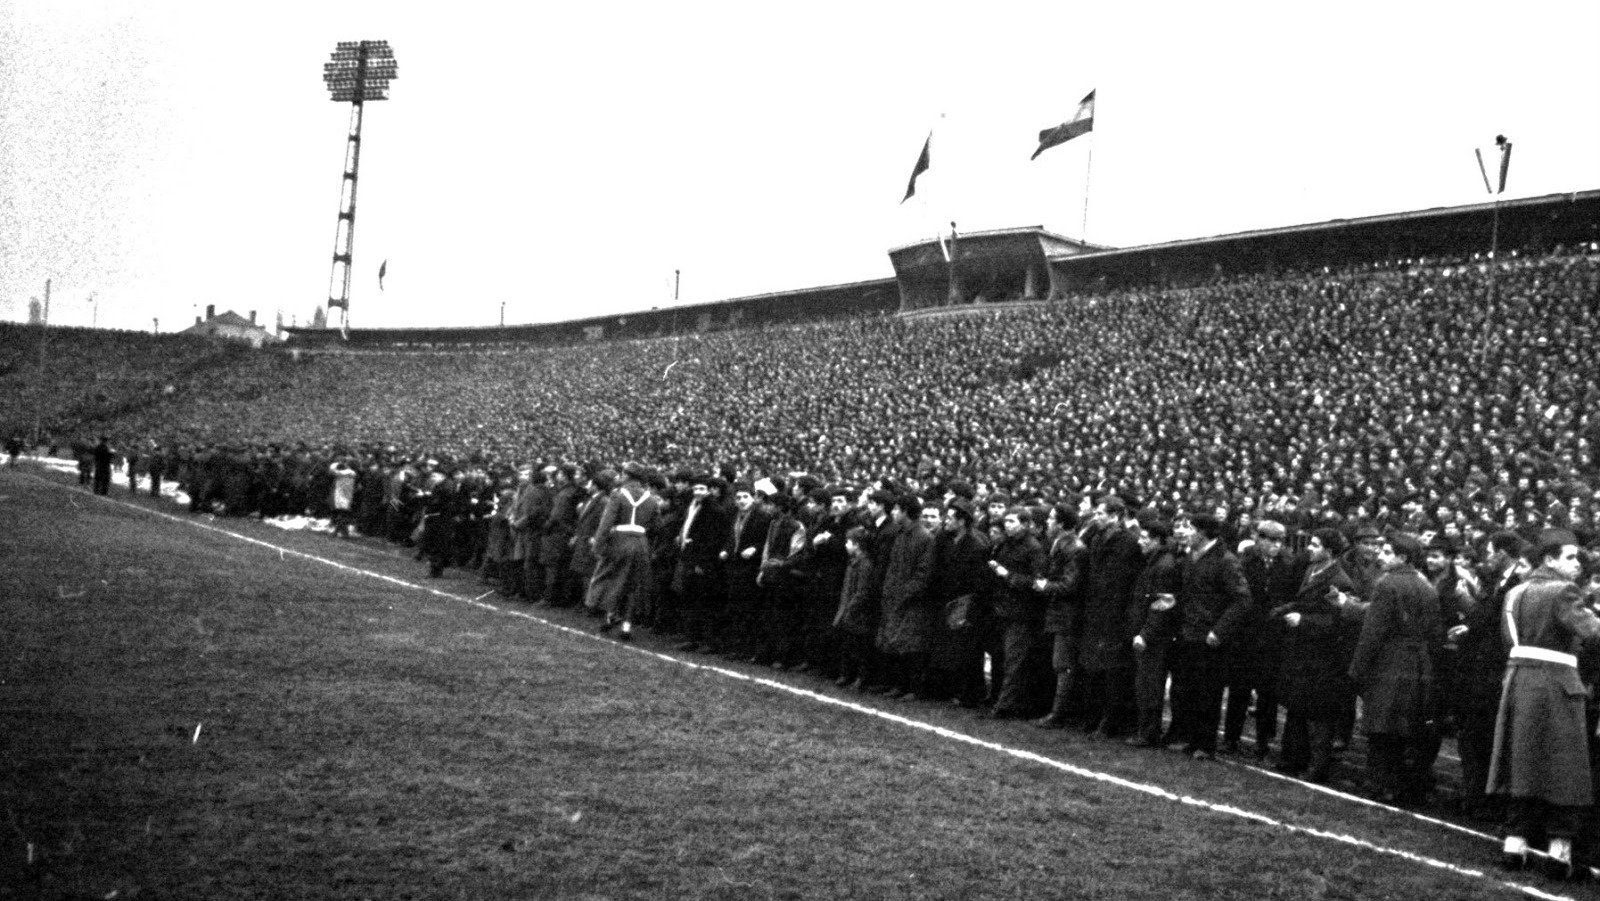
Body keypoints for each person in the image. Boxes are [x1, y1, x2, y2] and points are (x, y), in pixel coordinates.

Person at [1488, 529, 1600, 879]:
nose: (1577, 565)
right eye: (1570, 557)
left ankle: (1515, 843)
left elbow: (1509, 639)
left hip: (1519, 681)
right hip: (1557, 685)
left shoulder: (1516, 591)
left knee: (1521, 762)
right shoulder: (1564, 592)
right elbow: (1593, 632)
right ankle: (1558, 849)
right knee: (1565, 769)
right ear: (1549, 559)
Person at [1348, 532, 1443, 806]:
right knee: (1403, 727)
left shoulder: (1387, 584)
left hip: (1390, 660)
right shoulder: (1426, 586)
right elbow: (1434, 633)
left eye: (1388, 552)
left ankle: (1379, 784)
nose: (1381, 556)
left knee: (1381, 727)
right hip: (1417, 663)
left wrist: (1357, 668)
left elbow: (1373, 632)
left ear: (1402, 557)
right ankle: (1397, 785)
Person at [1168, 513, 1253, 760]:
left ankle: (1205, 744)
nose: (1185, 532)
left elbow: (1242, 600)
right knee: (1190, 689)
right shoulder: (1192, 558)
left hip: (1209, 637)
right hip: (1190, 633)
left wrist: (1219, 630)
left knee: (1208, 692)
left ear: (1203, 533)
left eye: (1190, 528)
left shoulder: (1226, 561)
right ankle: (1193, 739)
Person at [1274, 528, 1356, 781]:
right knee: (1298, 706)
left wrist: (1303, 621)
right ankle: (1293, 758)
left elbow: (1336, 622)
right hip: (1303, 652)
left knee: (1318, 713)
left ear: (1329, 551)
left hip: (1322, 657)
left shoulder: (1340, 581)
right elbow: (1305, 603)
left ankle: (1315, 766)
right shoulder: (1312, 570)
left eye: (1316, 544)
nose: (1310, 548)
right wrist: (1286, 609)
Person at [587, 463, 664, 640]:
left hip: (620, 542)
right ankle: (627, 626)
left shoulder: (618, 495)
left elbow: (606, 524)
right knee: (633, 585)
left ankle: (609, 617)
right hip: (641, 543)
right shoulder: (651, 499)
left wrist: (598, 546)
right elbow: (658, 526)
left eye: (623, 474)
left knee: (611, 579)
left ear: (628, 476)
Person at [329, 456, 357, 538]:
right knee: (343, 514)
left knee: (342, 514)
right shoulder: (351, 473)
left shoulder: (348, 472)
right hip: (346, 495)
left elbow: (332, 471)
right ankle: (343, 532)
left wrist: (336, 463)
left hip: (342, 495)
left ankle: (338, 532)